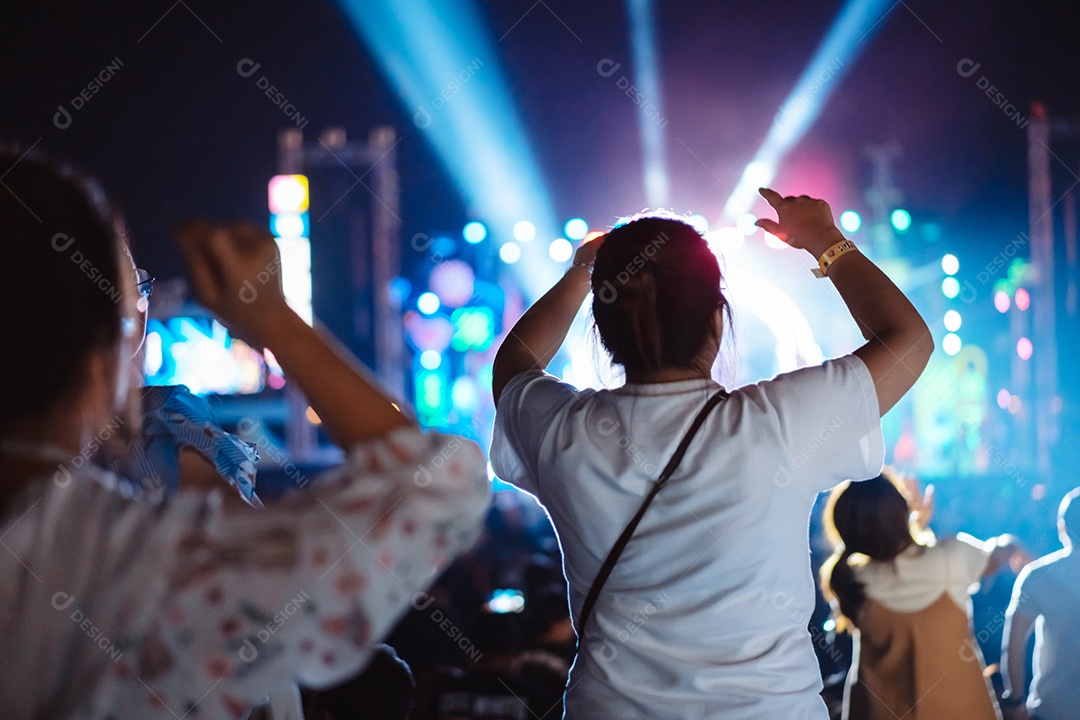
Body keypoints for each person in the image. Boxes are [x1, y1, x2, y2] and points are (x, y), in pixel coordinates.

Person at [0, 153, 491, 718]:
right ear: (97, 348)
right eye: (134, 299)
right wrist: (273, 320)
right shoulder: (139, 570)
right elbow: (437, 485)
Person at [489, 189, 934, 719]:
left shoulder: (563, 431)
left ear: (601, 332)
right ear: (718, 322)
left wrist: (582, 273)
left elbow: (514, 363)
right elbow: (908, 339)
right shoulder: (779, 422)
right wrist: (825, 241)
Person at [821, 470, 1026, 720]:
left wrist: (912, 524)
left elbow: (891, 554)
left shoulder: (850, 579)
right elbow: (994, 558)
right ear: (902, 510)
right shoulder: (951, 558)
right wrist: (1012, 543)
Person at [1000, 487, 1080, 720]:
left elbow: (1013, 645)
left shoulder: (1037, 575)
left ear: (1061, 528)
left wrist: (1016, 698)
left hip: (1054, 708)